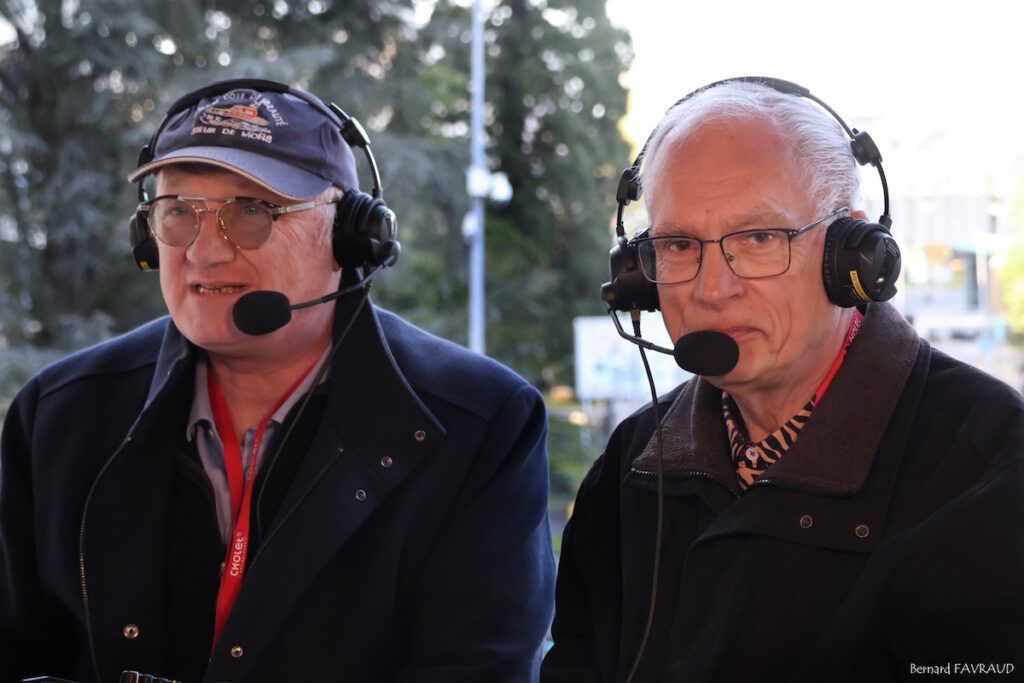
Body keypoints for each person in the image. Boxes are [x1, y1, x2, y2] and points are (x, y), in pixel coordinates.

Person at [0, 79, 555, 682]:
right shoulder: (58, 415)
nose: (205, 251)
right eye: (178, 212)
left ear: (350, 234)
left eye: (253, 211)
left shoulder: (481, 423)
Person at [542, 79, 1024, 681]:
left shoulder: (991, 464)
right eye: (679, 244)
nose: (712, 288)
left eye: (760, 238)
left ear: (853, 255)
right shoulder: (630, 464)